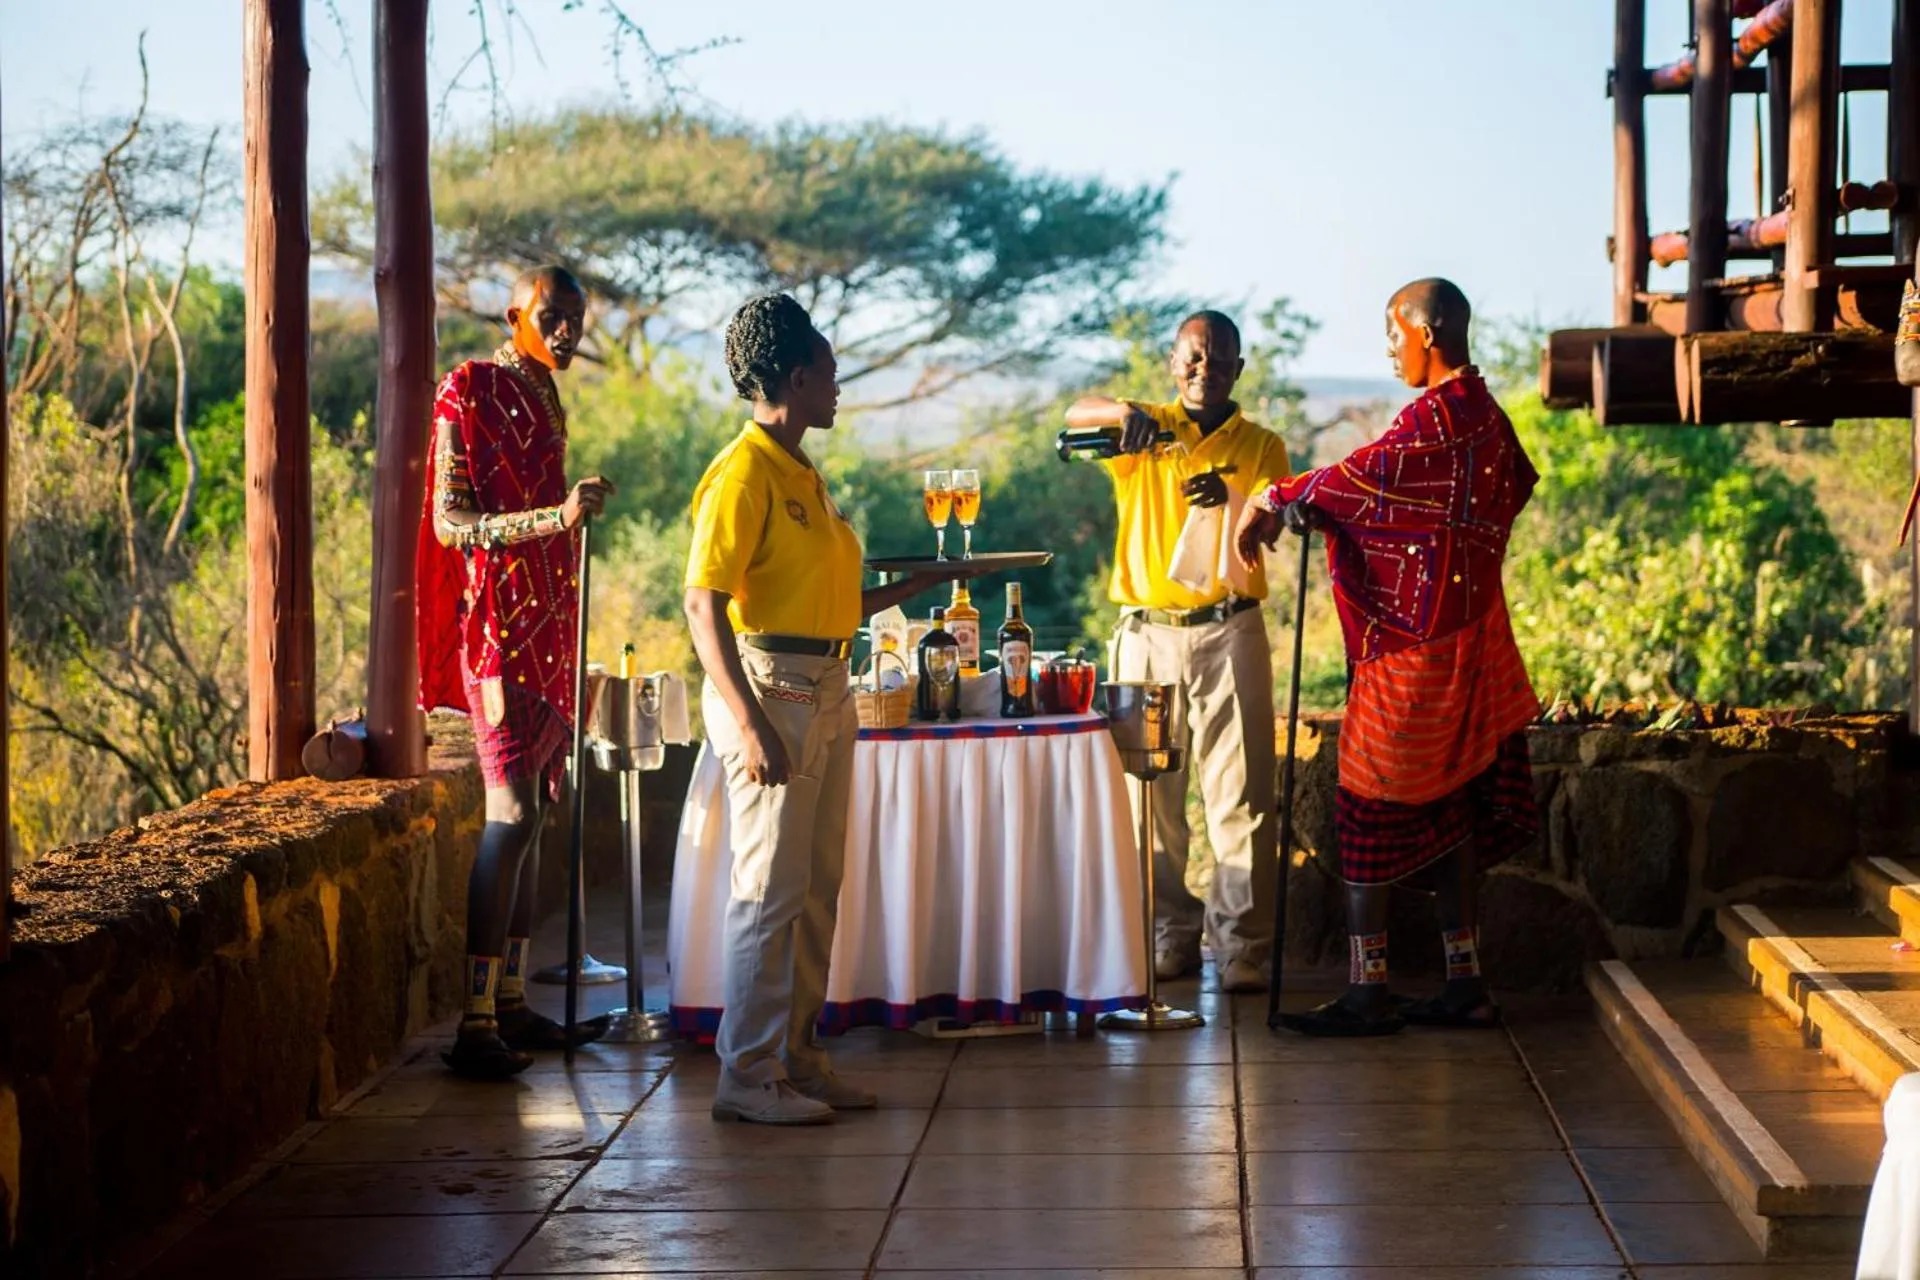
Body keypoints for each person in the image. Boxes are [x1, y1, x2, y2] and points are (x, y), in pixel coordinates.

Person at [686, 293, 970, 1124]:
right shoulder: (743, 474)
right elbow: (704, 605)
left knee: (815, 891)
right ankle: (746, 1076)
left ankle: (798, 1060)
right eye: (833, 375)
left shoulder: (798, 468)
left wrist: (902, 591)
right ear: (799, 378)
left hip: (828, 686)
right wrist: (748, 724)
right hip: (773, 690)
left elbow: (813, 594)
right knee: (767, 893)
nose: (840, 388)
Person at [1235, 278, 1541, 1036]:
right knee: (1451, 812)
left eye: (1392, 333)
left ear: (1426, 334)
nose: (1388, 348)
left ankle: (1367, 988)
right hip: (1476, 635)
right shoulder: (1488, 419)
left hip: (1418, 649)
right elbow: (1462, 501)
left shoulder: (1439, 416)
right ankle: (1464, 983)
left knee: (1366, 805)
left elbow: (1365, 480)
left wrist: (1275, 497)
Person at [416, 265, 616, 1079]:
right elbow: (449, 521)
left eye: (575, 317)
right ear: (515, 314)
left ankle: (507, 1004)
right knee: (507, 813)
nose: (567, 330)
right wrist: (554, 519)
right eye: (552, 315)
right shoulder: (468, 388)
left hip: (551, 632)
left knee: (535, 816)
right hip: (496, 631)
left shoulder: (545, 395)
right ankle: (471, 1023)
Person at [1063, 311, 1291, 994]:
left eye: (1219, 360)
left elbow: (1279, 520)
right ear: (1172, 362)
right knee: (1151, 795)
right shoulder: (1144, 430)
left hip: (1230, 628)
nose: (1204, 369)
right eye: (1193, 357)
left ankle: (1243, 944)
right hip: (1146, 635)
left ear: (1238, 370)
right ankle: (1170, 931)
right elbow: (1076, 415)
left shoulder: (1261, 443)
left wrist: (1237, 498)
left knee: (1241, 793)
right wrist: (1123, 408)